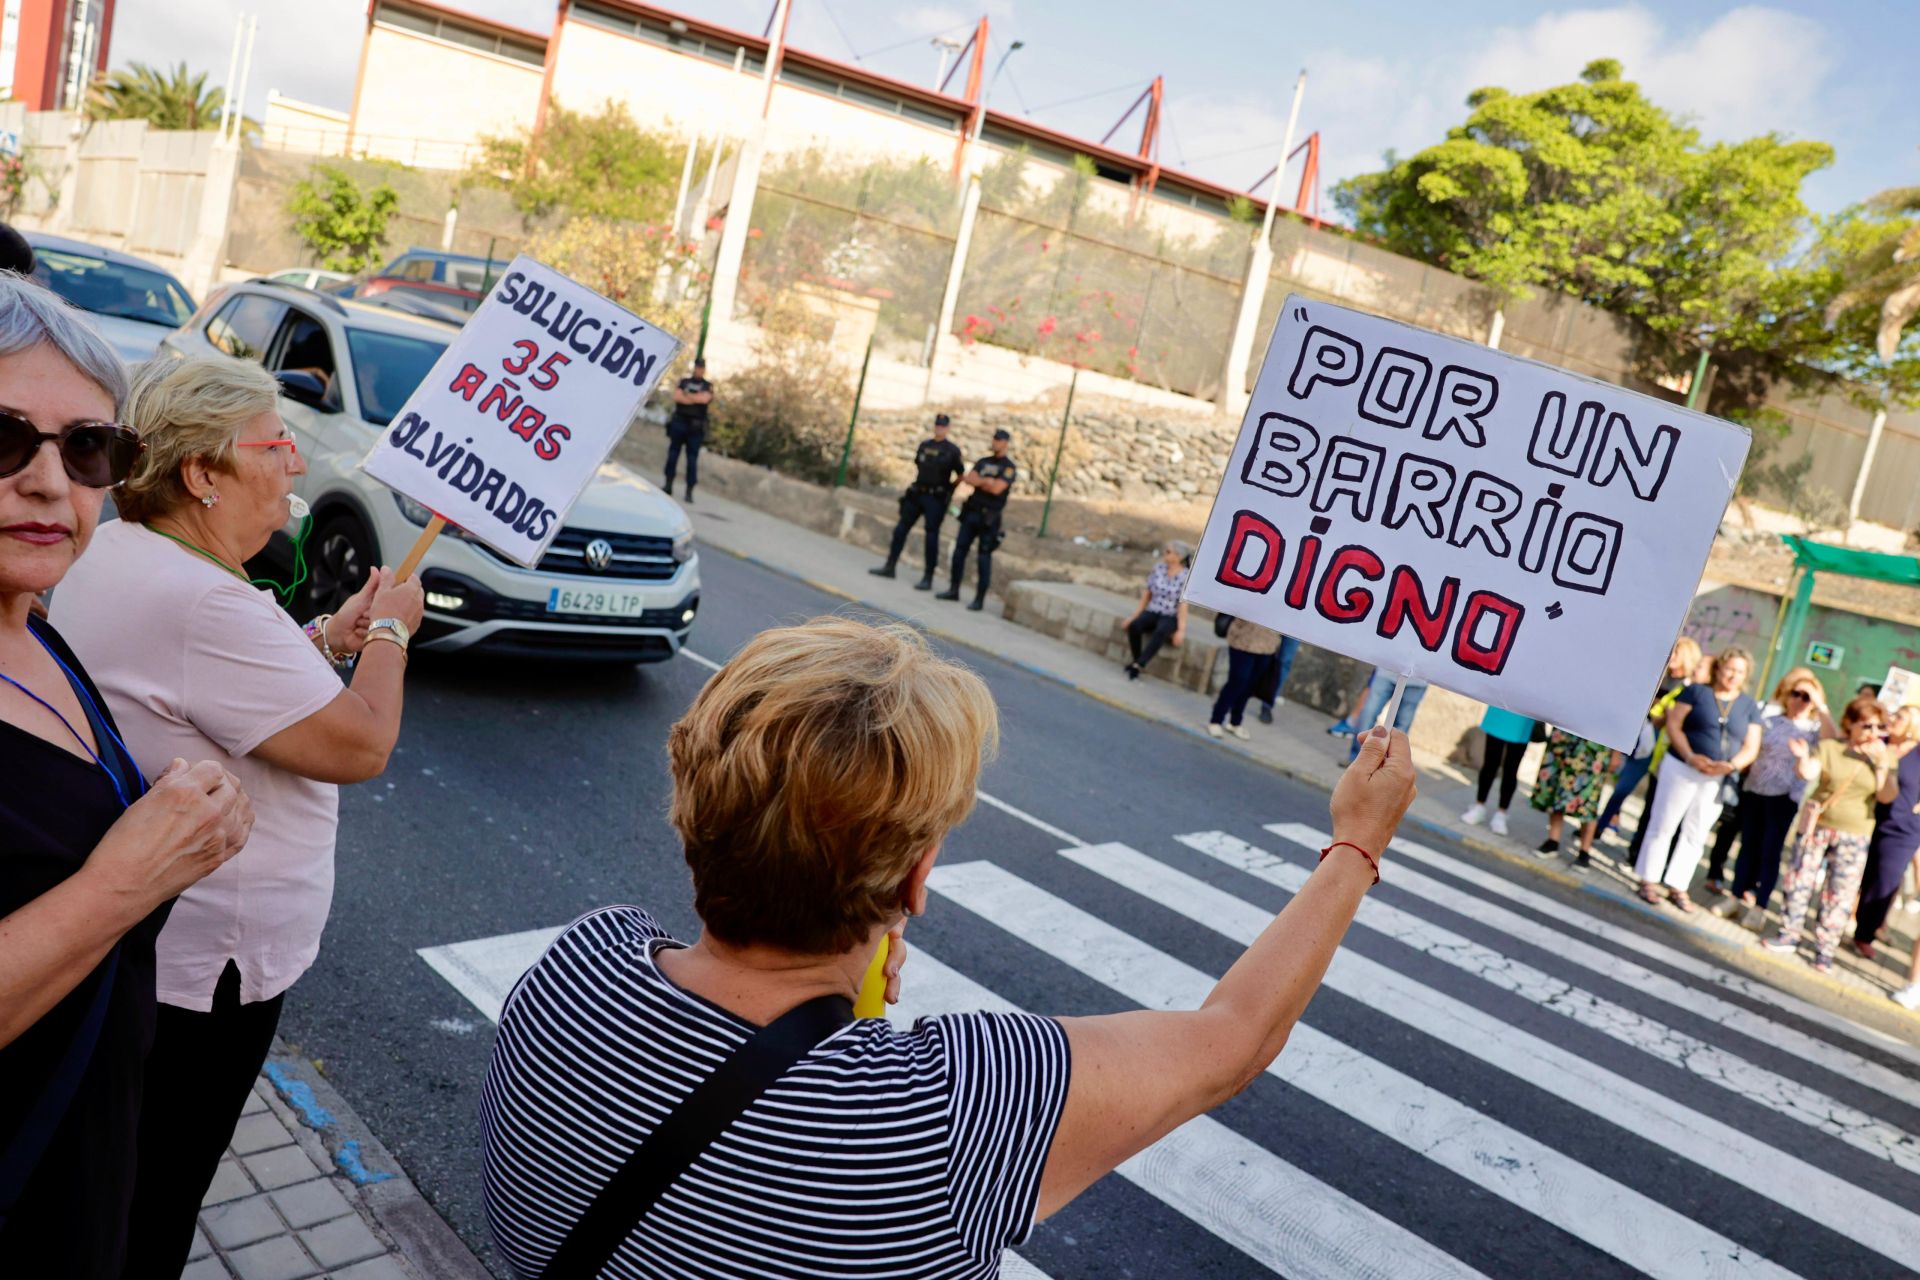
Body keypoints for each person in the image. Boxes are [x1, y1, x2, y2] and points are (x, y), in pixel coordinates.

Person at [479, 617, 1417, 1279]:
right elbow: (1233, 1037)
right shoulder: (944, 1106)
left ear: (693, 812)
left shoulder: (578, 967)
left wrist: (845, 1018)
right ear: (917, 880)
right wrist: (1356, 843)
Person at [50, 354, 425, 1274]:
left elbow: (201, 690)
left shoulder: (132, 550)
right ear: (202, 473)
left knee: (127, 1173)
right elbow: (360, 744)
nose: (296, 464)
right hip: (205, 970)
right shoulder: (209, 601)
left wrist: (319, 638)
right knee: (160, 1194)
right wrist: (389, 632)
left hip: (159, 954)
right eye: (276, 443)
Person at [0, 275, 254, 1277]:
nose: (51, 484)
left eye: (89, 447)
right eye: (4, 439)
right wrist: (128, 876)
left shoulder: (37, 629)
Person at [1762, 694, 1899, 973]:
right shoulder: (1830, 747)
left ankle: (1824, 949)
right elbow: (1809, 772)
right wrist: (1801, 759)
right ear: (1849, 724)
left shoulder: (1884, 756)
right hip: (1819, 825)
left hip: (1855, 833)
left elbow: (1887, 796)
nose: (1873, 733)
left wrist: (1881, 764)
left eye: (1878, 727)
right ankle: (1789, 933)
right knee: (1800, 879)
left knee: (1840, 893)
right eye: (1867, 726)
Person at [1633, 647, 1762, 912]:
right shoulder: (1697, 692)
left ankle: (1677, 885)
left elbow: (1752, 746)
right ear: (1719, 668)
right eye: (1729, 669)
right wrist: (1691, 756)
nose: (1733, 676)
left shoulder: (1749, 706)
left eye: (1739, 671)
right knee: (1664, 824)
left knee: (1697, 831)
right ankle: (1648, 879)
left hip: (1717, 776)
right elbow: (1674, 725)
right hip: (1682, 766)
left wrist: (1729, 766)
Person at [1720, 671, 1832, 929]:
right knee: (1747, 846)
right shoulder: (1769, 720)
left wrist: (1819, 704)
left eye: (1807, 697)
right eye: (1796, 693)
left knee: (1770, 852)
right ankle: (1735, 897)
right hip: (1754, 790)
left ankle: (1759, 908)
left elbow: (1833, 739)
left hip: (1784, 798)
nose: (1800, 700)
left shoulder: (1814, 730)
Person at [1597, 637, 1701, 849]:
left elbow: (1669, 719)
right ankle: (1607, 823)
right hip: (1635, 735)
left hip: (1654, 746)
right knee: (1618, 782)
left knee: (1627, 789)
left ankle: (1602, 828)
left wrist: (1662, 712)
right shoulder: (1658, 676)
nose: (1671, 657)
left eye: (1677, 653)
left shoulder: (1688, 688)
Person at [1852, 705, 1920, 960]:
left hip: (1902, 829)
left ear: (1913, 724)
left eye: (1900, 717)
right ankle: (1841, 922)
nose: (1892, 719)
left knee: (1884, 883)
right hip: (1866, 817)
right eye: (1893, 715)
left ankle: (1865, 934)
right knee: (1856, 875)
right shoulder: (1878, 743)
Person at [869, 412, 963, 589]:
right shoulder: (924, 445)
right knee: (901, 529)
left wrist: (949, 490)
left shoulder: (952, 450)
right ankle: (890, 566)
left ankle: (928, 577)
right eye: (937, 425)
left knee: (931, 536)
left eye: (943, 426)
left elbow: (961, 475)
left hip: (936, 498)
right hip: (917, 493)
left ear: (948, 428)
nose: (939, 428)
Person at [936, 428, 1016, 611]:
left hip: (990, 517)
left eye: (999, 440)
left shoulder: (1009, 467)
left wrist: (983, 482)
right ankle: (953, 589)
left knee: (983, 557)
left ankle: (979, 599)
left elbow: (997, 489)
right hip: (971, 513)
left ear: (1005, 443)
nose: (995, 442)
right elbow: (969, 479)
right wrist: (986, 481)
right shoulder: (983, 461)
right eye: (994, 438)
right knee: (959, 551)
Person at [1530, 729, 1620, 872]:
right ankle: (1553, 840)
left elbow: (1622, 717)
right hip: (1566, 736)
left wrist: (1617, 752)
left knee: (1588, 800)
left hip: (1595, 745)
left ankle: (1584, 851)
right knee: (1557, 789)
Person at [1119, 540, 1189, 678]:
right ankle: (1137, 661)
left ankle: (1140, 664)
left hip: (1170, 614)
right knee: (1135, 626)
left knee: (1161, 631)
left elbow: (1183, 604)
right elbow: (1147, 594)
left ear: (1179, 556)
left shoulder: (1186, 576)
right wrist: (1134, 616)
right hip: (1153, 610)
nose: (1165, 554)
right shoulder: (1159, 569)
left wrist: (1181, 630)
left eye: (1168, 552)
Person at [1462, 706, 1536, 837]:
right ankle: (1479, 806)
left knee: (1511, 769)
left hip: (1524, 714)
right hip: (1502, 708)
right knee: (1490, 763)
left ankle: (1501, 813)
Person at [1208, 615, 1282, 740]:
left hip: (1268, 643)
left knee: (1249, 686)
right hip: (1242, 636)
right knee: (1237, 681)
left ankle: (1235, 721)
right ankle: (1216, 719)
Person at [1336, 668, 1429, 763]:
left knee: (1401, 726)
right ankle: (1358, 760)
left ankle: (1385, 766)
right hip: (1388, 672)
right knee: (1369, 714)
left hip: (1417, 680)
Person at [662, 355, 713, 502]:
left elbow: (705, 399)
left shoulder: (707, 385)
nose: (699, 370)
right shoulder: (684, 381)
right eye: (697, 367)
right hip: (680, 423)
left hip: (695, 428)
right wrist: (695, 398)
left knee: (692, 460)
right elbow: (677, 397)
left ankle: (689, 491)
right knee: (673, 455)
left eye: (701, 367)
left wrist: (687, 395)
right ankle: (668, 484)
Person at [1251, 633, 1300, 723]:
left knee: (1284, 662)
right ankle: (1241, 695)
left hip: (1299, 626)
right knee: (1259, 651)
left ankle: (1267, 704)